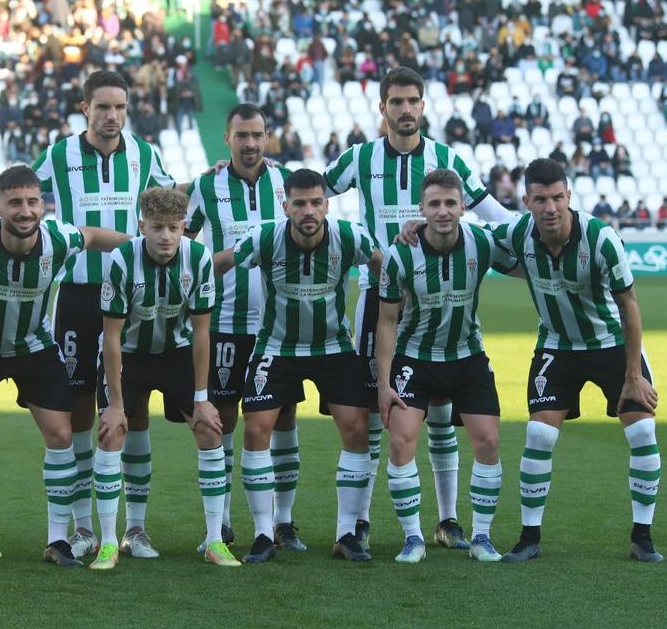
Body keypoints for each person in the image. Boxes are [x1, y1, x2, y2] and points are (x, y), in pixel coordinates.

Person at [323, 67, 516, 553]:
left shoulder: (447, 158)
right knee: (377, 409)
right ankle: (362, 520)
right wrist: (249, 173)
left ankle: (448, 520)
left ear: (423, 106)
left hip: (440, 301)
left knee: (443, 412)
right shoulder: (359, 158)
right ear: (382, 107)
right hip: (379, 294)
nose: (405, 109)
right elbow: (307, 191)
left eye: (413, 101)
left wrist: (528, 230)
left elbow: (489, 209)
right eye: (396, 101)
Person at [0, 165, 131, 568]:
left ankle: (58, 540)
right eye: (15, 203)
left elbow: (92, 235)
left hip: (35, 350)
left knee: (61, 434)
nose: (25, 211)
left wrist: (139, 246)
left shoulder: (58, 237)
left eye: (33, 202)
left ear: (43, 204)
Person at [31, 70, 175, 559]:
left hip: (132, 294)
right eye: (103, 107)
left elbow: (173, 203)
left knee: (131, 407)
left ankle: (134, 527)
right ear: (84, 107)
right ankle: (81, 527)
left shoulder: (146, 154)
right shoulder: (56, 156)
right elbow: (20, 198)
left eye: (120, 107)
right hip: (75, 293)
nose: (112, 116)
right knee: (75, 409)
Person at [493, 159, 662, 564]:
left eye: (557, 198)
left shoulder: (602, 239)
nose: (550, 208)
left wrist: (633, 375)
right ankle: (529, 536)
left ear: (569, 196)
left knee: (642, 434)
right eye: (540, 199)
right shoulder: (517, 233)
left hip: (611, 345)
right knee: (539, 436)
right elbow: (471, 240)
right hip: (556, 346)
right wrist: (417, 228)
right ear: (526, 201)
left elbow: (629, 305)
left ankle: (642, 535)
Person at [212, 169, 382, 564]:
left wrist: (403, 299)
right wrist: (179, 271)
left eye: (316, 202)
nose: (309, 210)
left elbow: (384, 266)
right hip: (277, 347)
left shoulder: (350, 236)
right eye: (300, 203)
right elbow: (221, 262)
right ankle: (261, 534)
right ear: (286, 206)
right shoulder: (266, 237)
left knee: (358, 429)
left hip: (333, 347)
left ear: (327, 204)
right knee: (256, 429)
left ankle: (346, 532)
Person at [375, 168, 519, 564]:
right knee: (402, 441)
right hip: (415, 357)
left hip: (466, 355)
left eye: (450, 203)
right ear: (421, 208)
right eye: (434, 204)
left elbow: (527, 255)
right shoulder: (400, 253)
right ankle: (412, 538)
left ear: (462, 207)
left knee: (488, 441)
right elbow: (386, 321)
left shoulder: (483, 244)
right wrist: (383, 383)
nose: (443, 211)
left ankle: (483, 537)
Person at [96, 187, 239, 569]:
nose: (165, 237)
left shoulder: (199, 258)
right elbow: (111, 335)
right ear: (141, 225)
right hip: (128, 354)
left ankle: (213, 540)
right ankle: (117, 539)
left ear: (184, 228)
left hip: (176, 352)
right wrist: (113, 404)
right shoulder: (123, 260)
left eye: (174, 228)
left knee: (210, 427)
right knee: (115, 430)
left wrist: (202, 396)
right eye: (157, 227)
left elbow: (203, 332)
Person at [185, 103, 305, 552]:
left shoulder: (287, 183)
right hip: (224, 325)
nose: (251, 143)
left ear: (268, 136)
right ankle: (224, 522)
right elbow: (184, 243)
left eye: (258, 135)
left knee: (283, 417)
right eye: (242, 136)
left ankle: (284, 522)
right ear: (227, 138)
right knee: (221, 419)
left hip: (280, 328)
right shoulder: (205, 186)